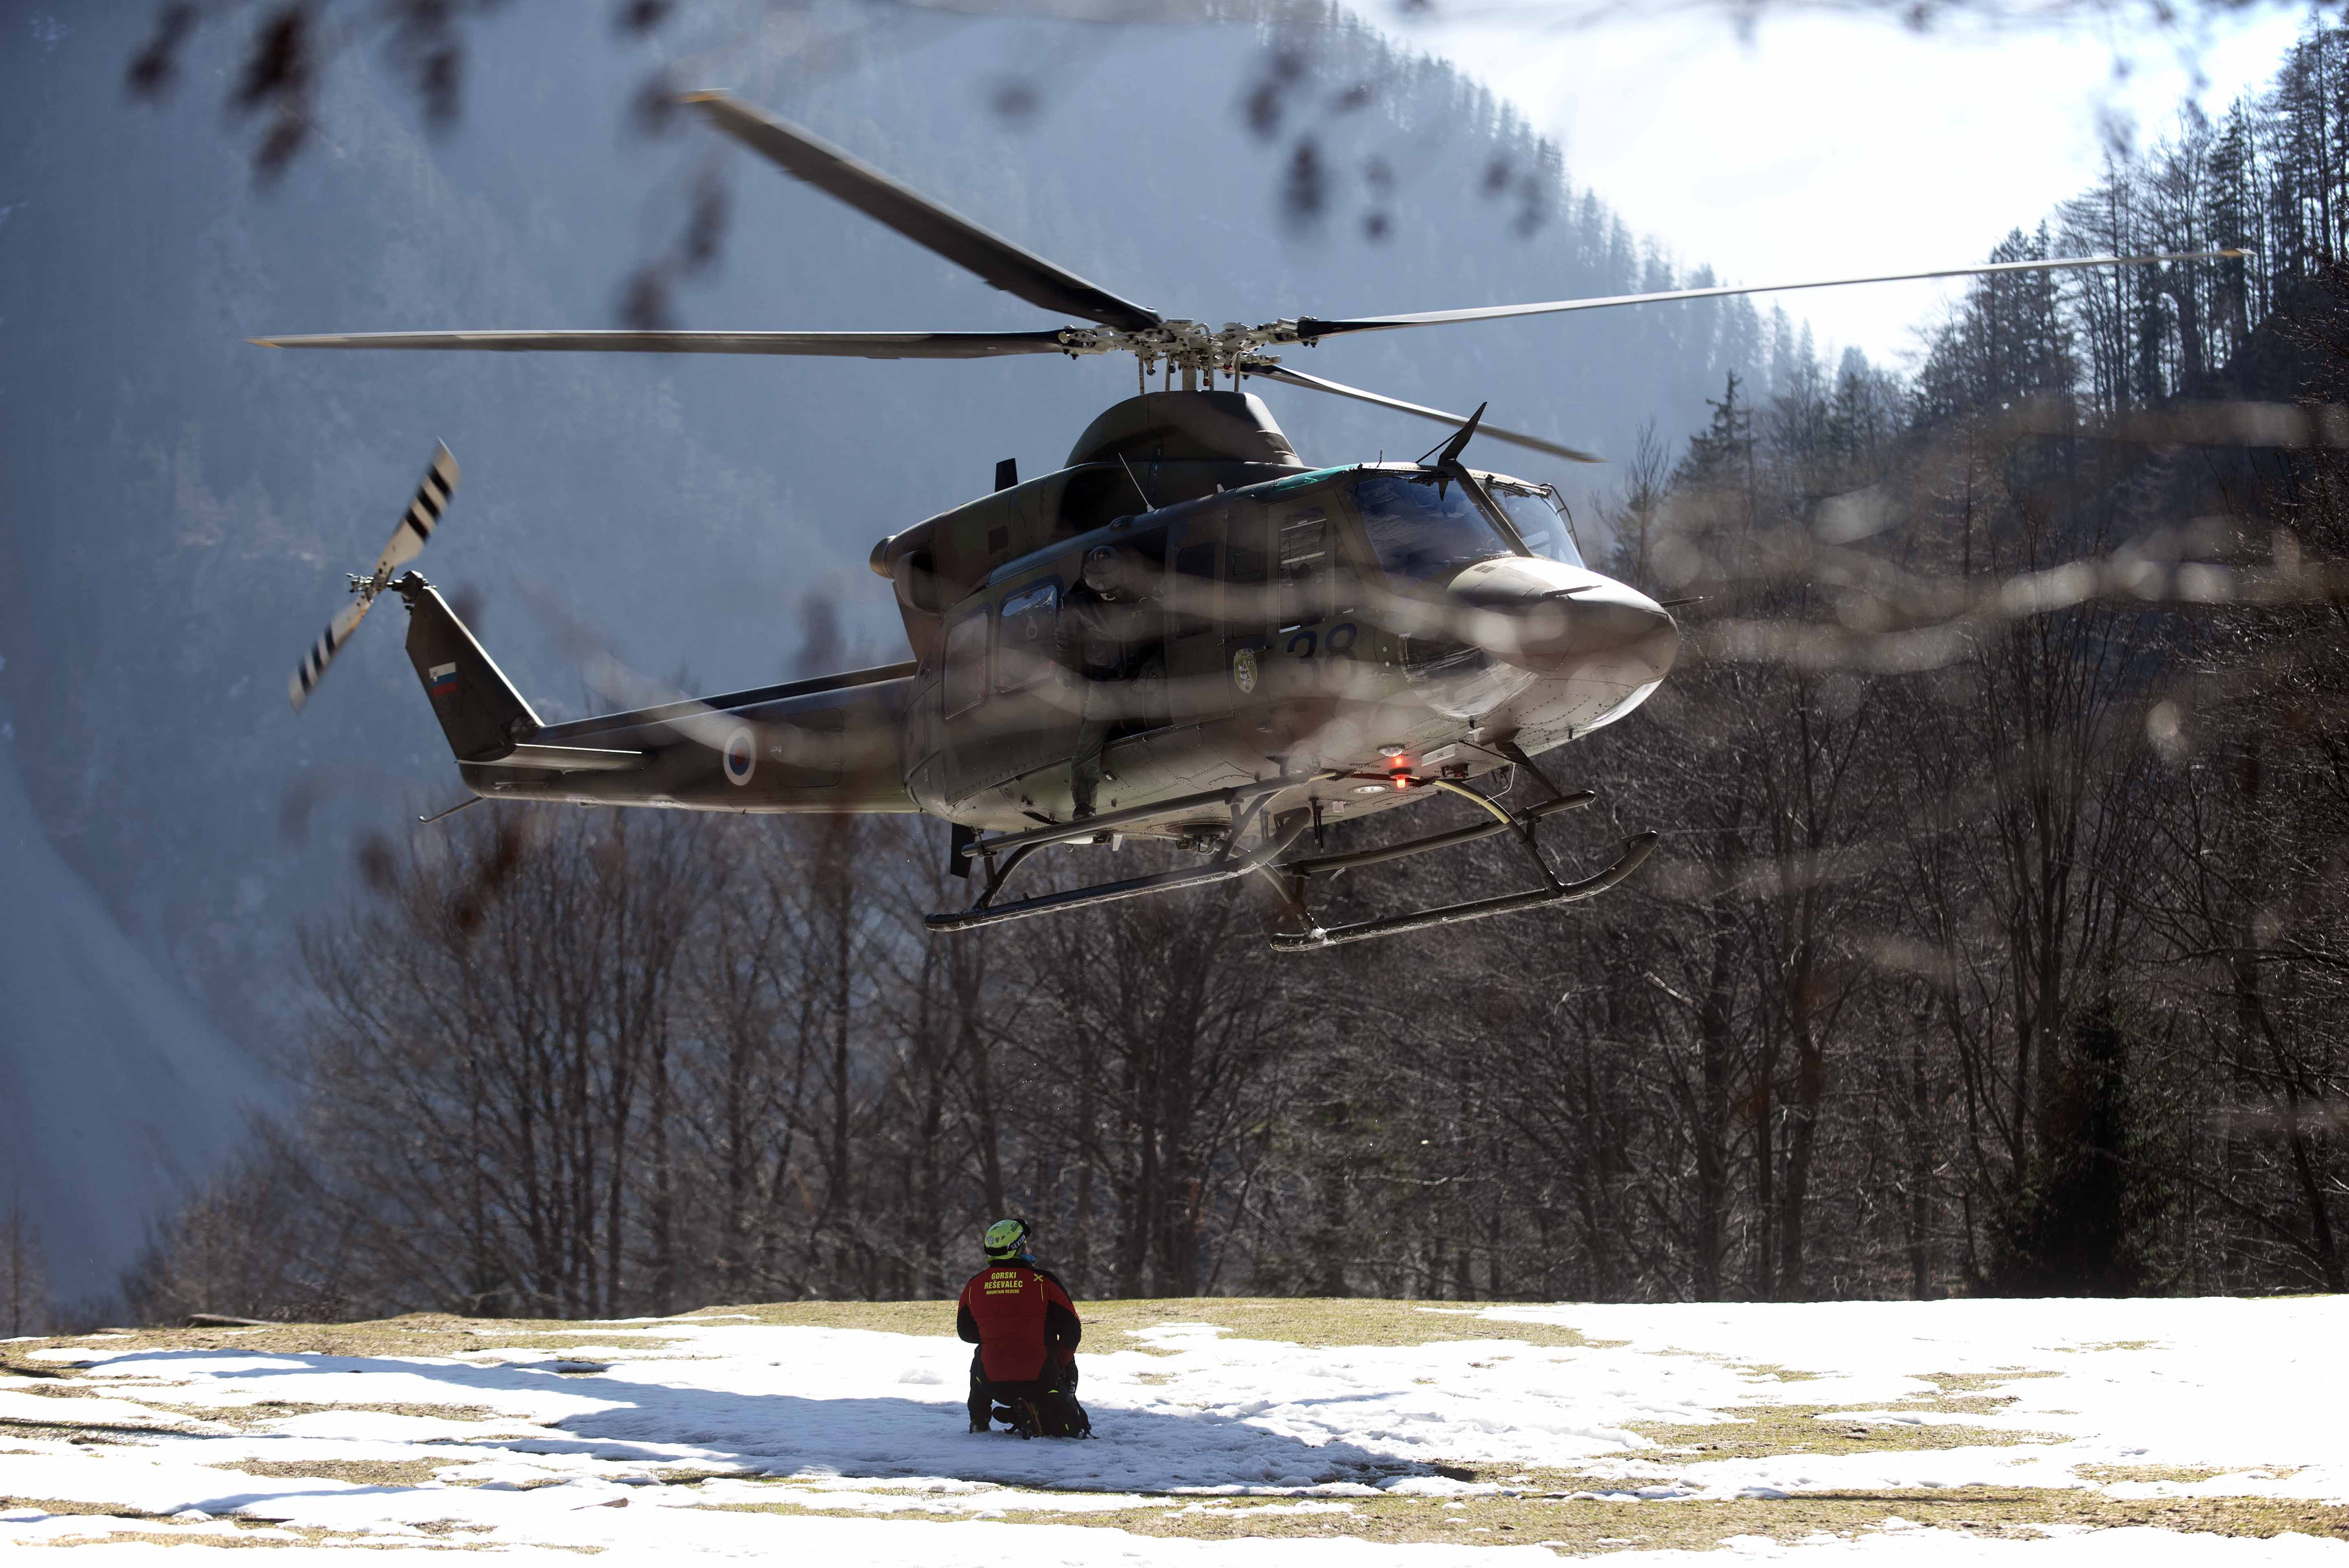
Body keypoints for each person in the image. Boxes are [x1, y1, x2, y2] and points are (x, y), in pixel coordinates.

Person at [956, 1217, 1088, 1437]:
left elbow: (966, 1333)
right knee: (1064, 1354)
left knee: (981, 1353)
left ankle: (980, 1420)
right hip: (1042, 1381)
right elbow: (1072, 1332)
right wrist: (1058, 1362)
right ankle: (1046, 1407)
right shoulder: (1044, 1282)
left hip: (992, 1383)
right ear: (1018, 1249)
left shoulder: (974, 1285)